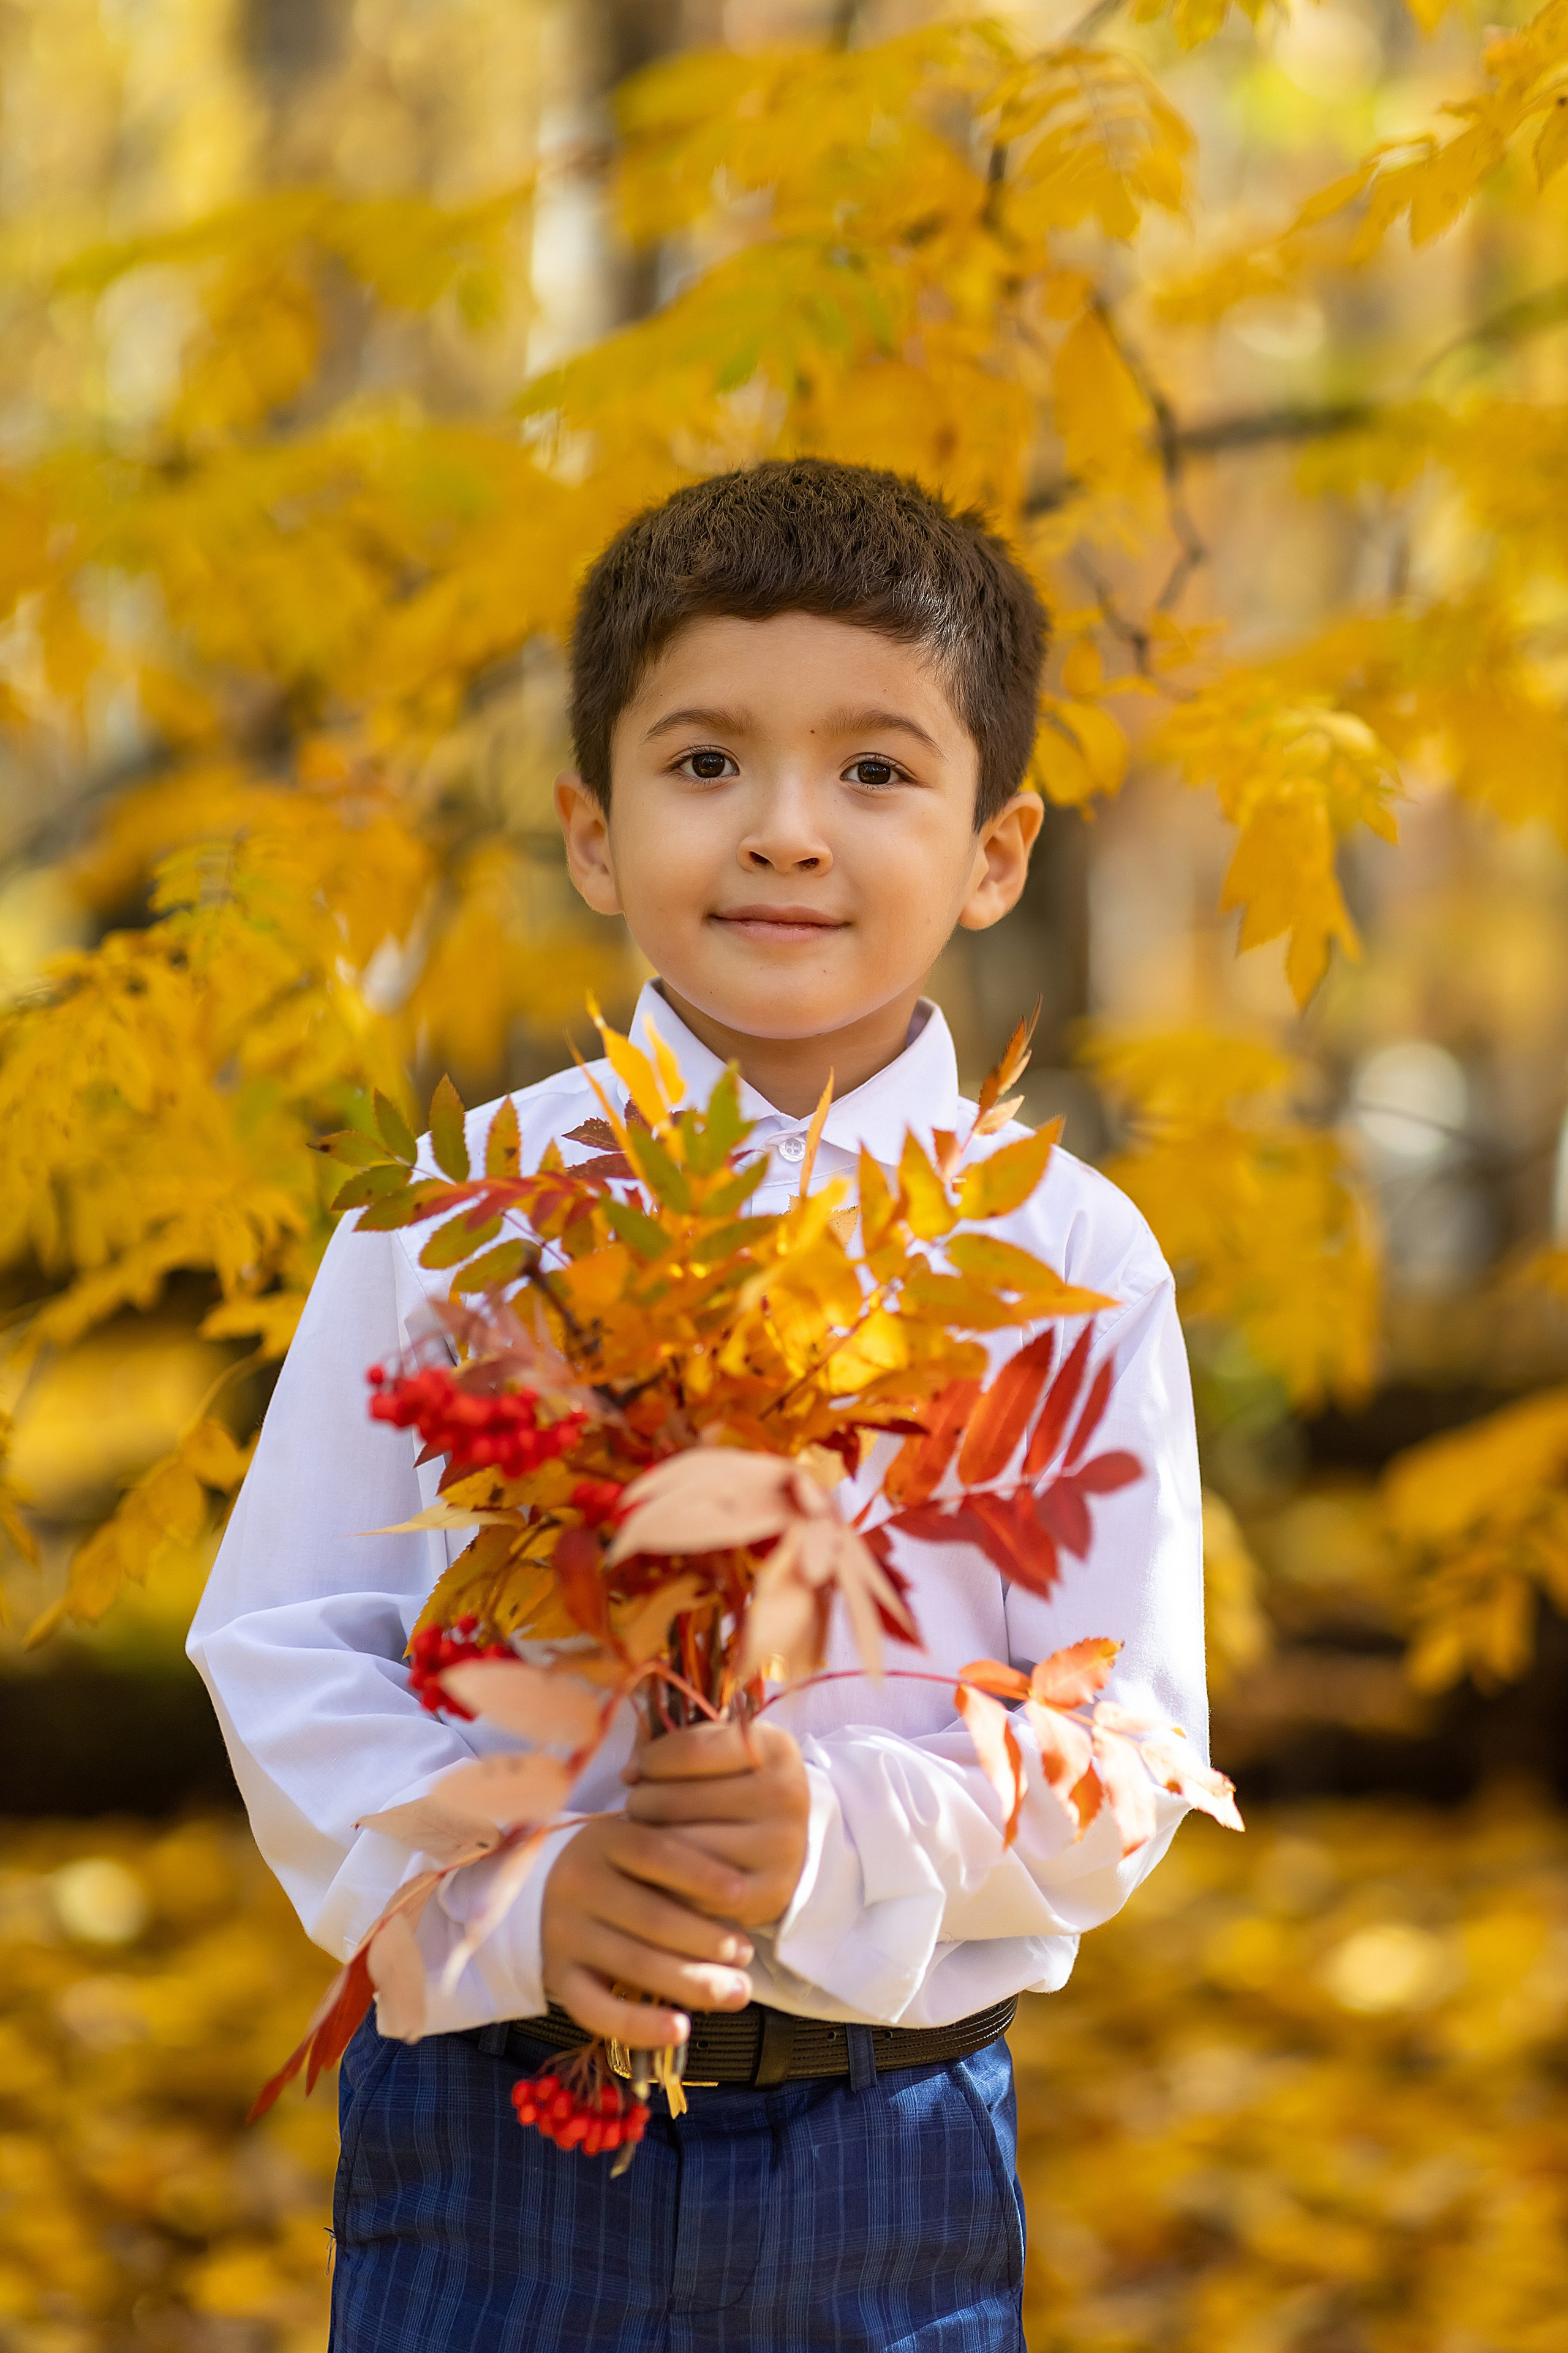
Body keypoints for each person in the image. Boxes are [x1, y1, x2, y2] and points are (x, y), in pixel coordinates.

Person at [188, 458, 1207, 2351]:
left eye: (878, 770)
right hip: (500, 2142)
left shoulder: (1069, 1253)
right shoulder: (470, 1210)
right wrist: (528, 1894)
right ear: (591, 830)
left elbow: (1126, 1744)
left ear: (1000, 849)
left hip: (889, 2147)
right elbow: (284, 1638)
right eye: (707, 762)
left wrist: (830, 1829)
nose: (788, 833)